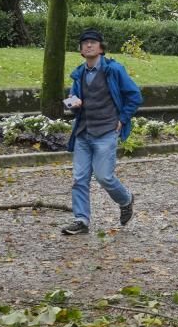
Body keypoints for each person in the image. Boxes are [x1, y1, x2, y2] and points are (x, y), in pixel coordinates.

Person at [61, 28, 142, 236]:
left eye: (93, 42)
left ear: (100, 48)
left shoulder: (114, 69)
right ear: (80, 49)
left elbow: (134, 96)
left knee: (104, 176)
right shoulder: (78, 73)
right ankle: (81, 220)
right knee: (79, 178)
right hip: (83, 132)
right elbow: (70, 100)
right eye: (85, 43)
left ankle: (125, 199)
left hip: (106, 131)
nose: (88, 45)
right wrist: (73, 103)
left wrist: (122, 119)